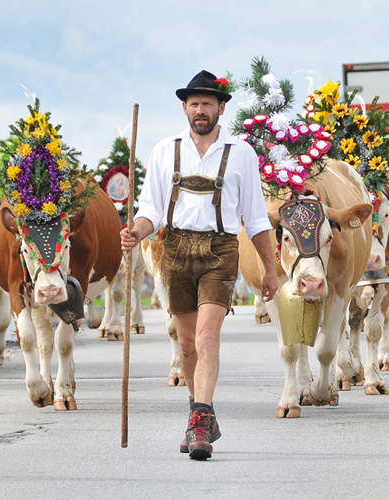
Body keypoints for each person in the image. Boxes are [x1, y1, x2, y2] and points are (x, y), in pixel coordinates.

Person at [120, 70, 278, 460]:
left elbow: (256, 218)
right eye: (193, 103)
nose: (200, 110)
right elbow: (150, 211)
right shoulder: (165, 151)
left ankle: (199, 421)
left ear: (221, 107)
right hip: (174, 250)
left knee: (207, 338)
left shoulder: (241, 153)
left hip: (220, 252)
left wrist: (270, 268)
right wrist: (137, 233)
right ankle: (201, 413)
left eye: (207, 103)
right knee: (186, 344)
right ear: (185, 108)